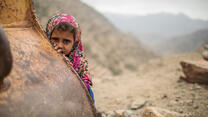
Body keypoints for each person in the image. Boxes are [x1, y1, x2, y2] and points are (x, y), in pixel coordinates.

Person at [45, 13, 94, 103]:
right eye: (55, 39)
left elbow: (85, 84)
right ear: (48, 37)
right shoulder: (42, 55)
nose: (60, 45)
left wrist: (66, 67)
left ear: (75, 43)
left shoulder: (79, 61)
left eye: (66, 41)